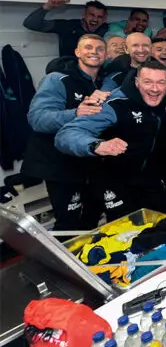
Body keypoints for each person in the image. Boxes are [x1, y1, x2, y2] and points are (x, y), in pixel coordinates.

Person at [54, 60, 166, 221]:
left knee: (162, 225)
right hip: (115, 181)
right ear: (137, 82)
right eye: (148, 82)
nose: (154, 89)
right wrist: (97, 145)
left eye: (161, 83)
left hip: (150, 179)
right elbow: (66, 134)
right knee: (125, 232)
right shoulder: (114, 105)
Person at [22, 34, 110, 232]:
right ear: (77, 52)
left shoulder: (103, 84)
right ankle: (60, 262)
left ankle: (86, 260)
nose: (94, 52)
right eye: (88, 47)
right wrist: (76, 112)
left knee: (92, 218)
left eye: (99, 49)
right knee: (68, 224)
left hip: (89, 164)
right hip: (59, 166)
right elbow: (37, 119)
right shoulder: (58, 79)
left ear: (106, 54)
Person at [23, 0, 108, 56]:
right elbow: (30, 24)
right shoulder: (67, 26)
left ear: (104, 19)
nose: (95, 20)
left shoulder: (107, 29)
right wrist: (48, 6)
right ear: (84, 15)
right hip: (67, 73)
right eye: (92, 15)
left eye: (99, 17)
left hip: (94, 75)